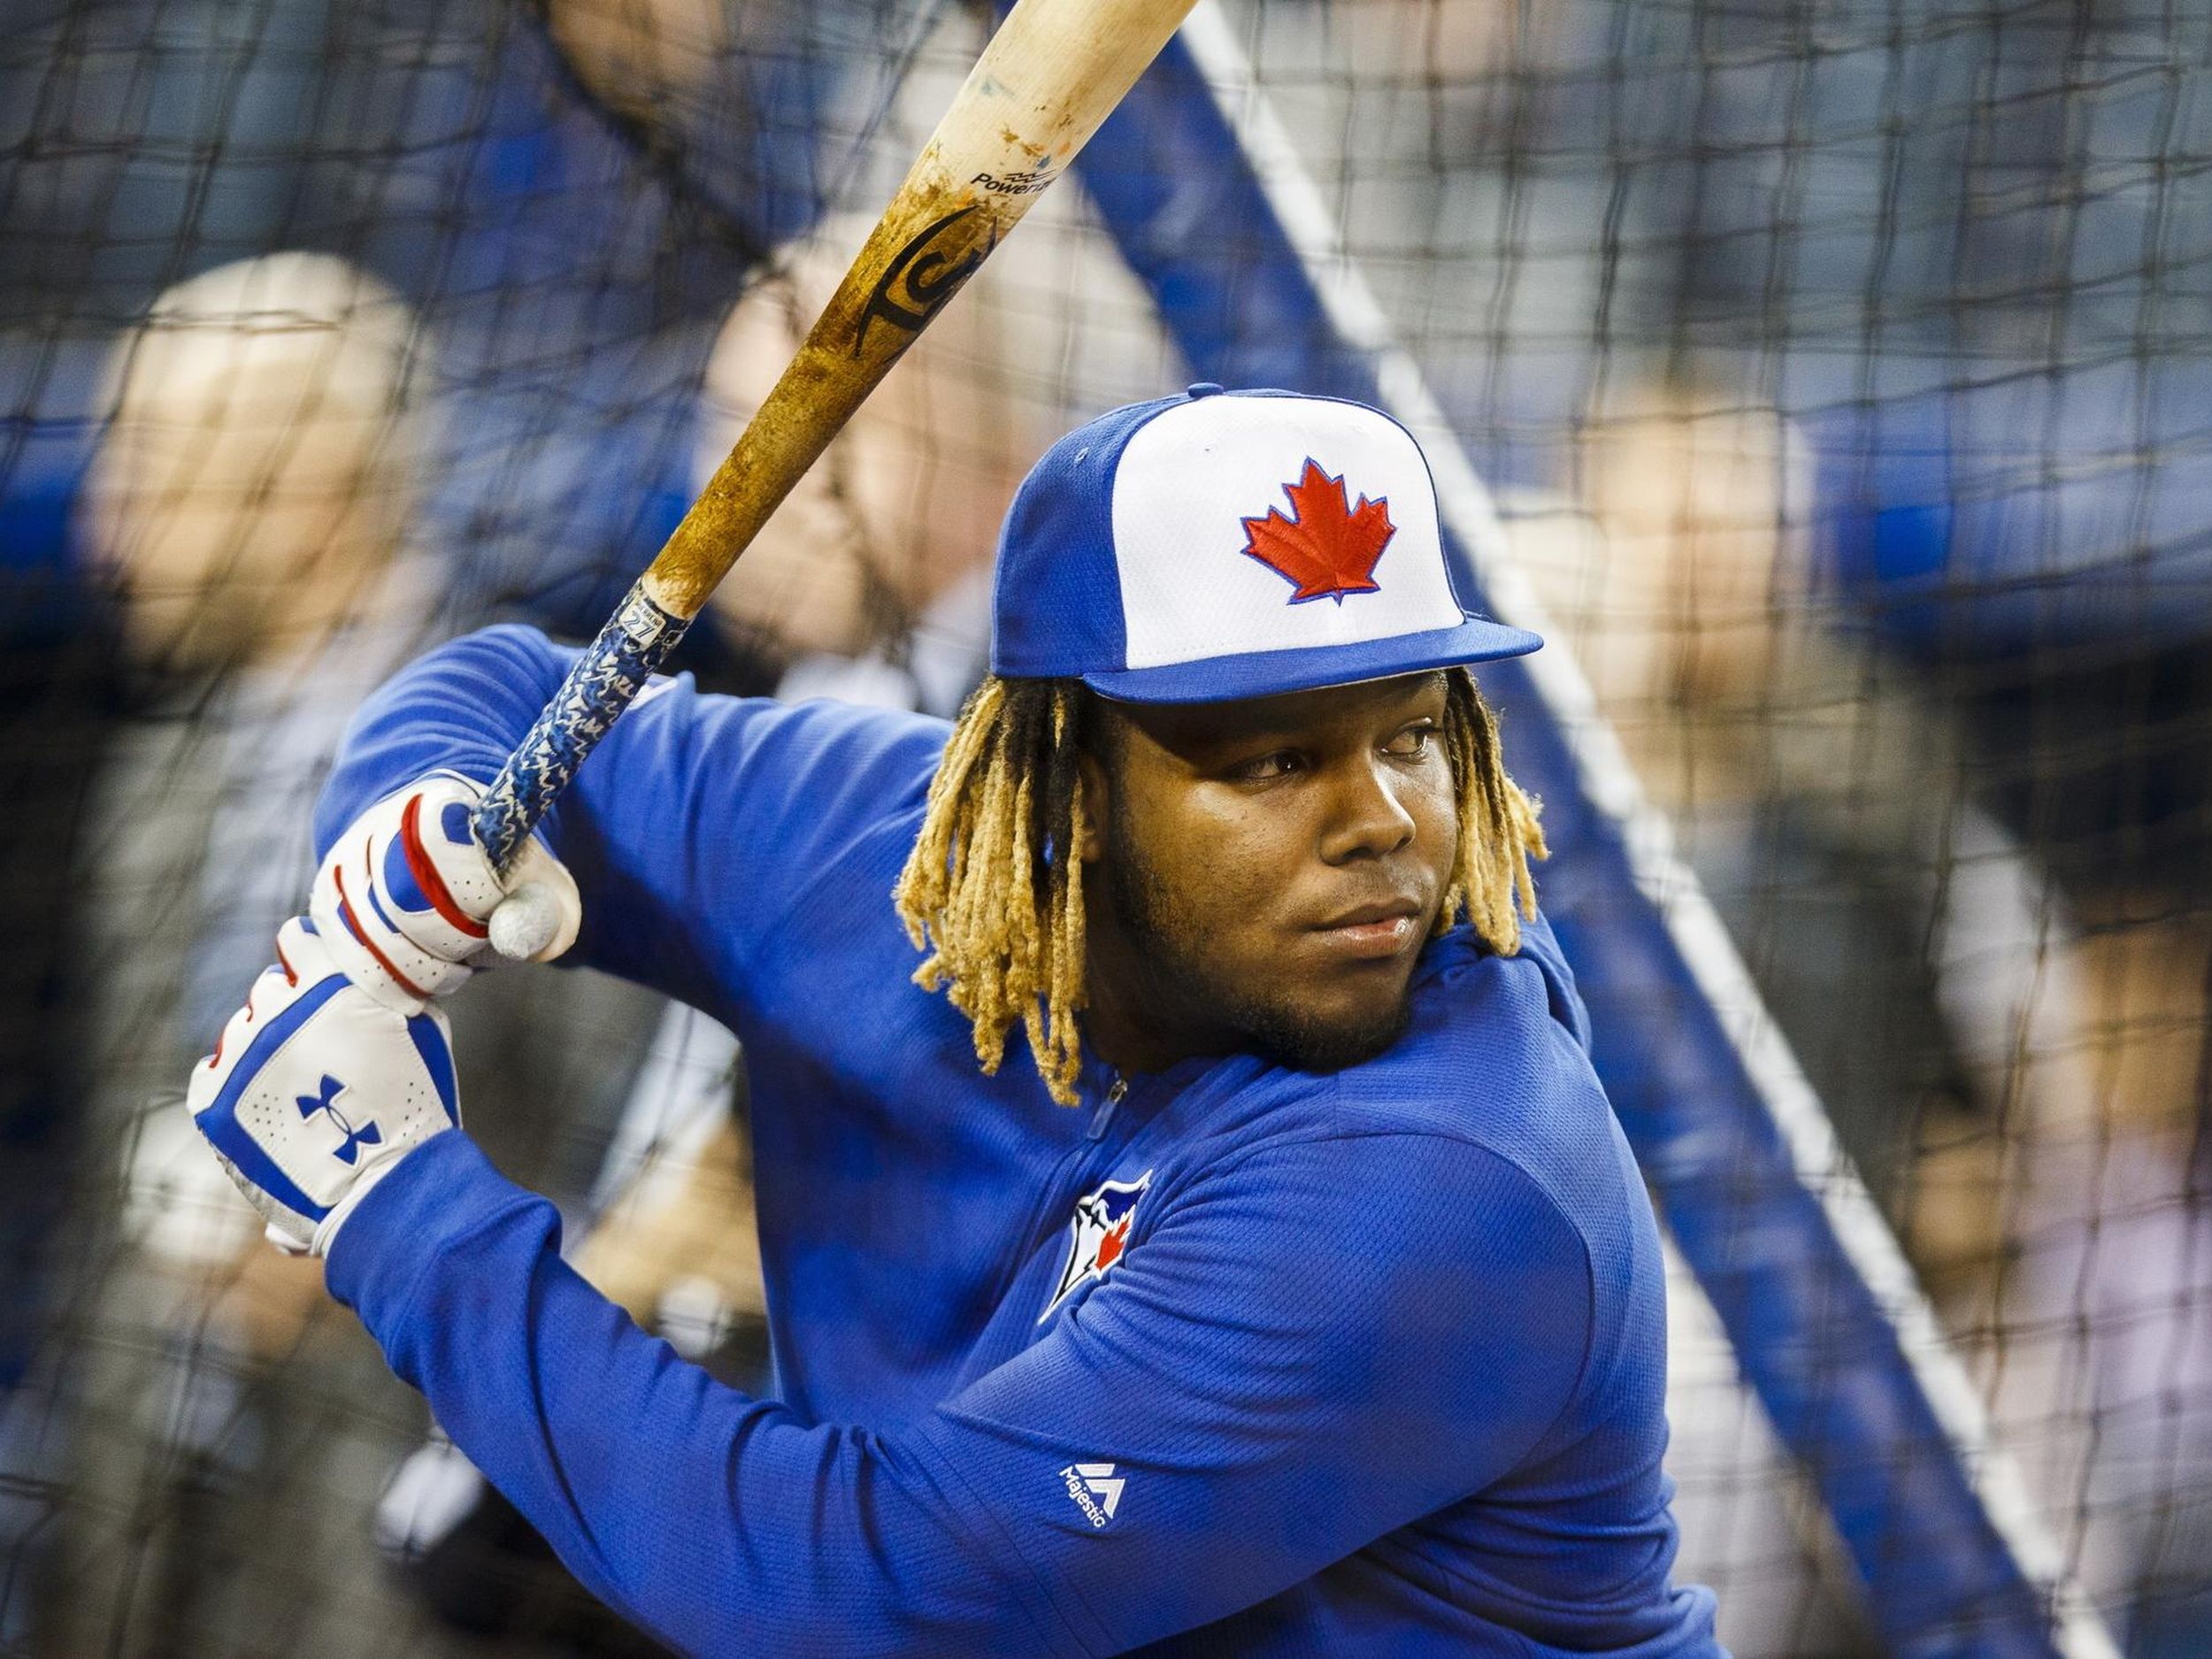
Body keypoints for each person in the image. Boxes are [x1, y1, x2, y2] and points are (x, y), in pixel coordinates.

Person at [181, 385, 1722, 1655]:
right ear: (1069, 794)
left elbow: (860, 1589)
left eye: (1410, 733)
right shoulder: (890, 859)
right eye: (1267, 762)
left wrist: (395, 1205)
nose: (1381, 819)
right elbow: (505, 687)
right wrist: (410, 823)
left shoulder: (1452, 1171)